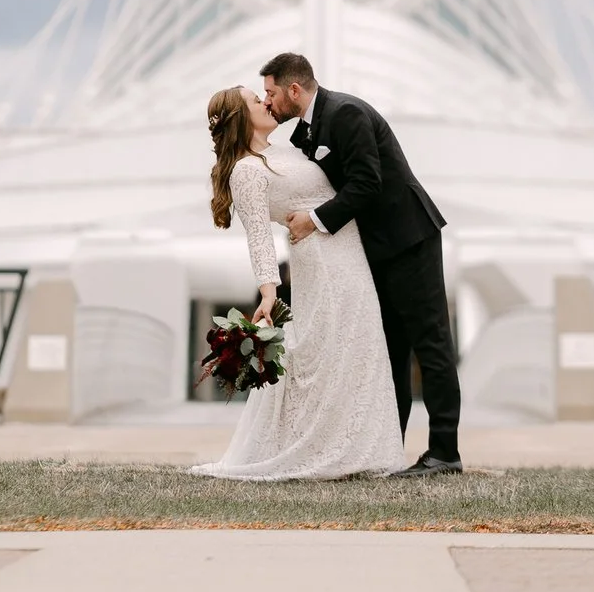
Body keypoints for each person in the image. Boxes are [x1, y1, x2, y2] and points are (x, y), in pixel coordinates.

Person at [189, 86, 406, 480]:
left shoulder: (287, 150)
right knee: (325, 349)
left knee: (357, 345)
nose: (266, 103)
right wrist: (269, 293)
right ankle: (318, 447)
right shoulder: (247, 170)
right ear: (241, 115)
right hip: (320, 261)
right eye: (256, 100)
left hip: (350, 252)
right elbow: (258, 236)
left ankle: (358, 449)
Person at [261, 51, 462, 477]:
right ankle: (388, 450)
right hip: (375, 249)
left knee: (431, 343)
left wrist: (315, 221)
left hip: (409, 238)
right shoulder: (305, 134)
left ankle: (445, 453)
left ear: (294, 89)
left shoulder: (346, 113)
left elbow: (366, 184)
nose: (267, 103)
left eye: (271, 93)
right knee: (390, 350)